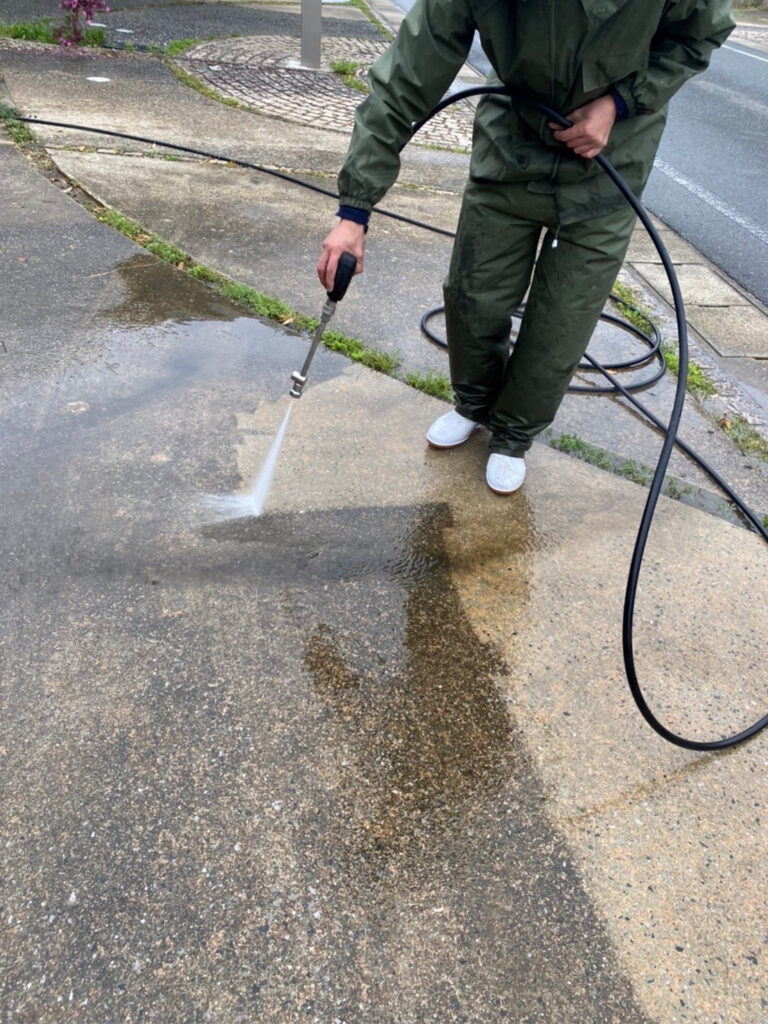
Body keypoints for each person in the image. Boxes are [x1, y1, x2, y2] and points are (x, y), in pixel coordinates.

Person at [317, 0, 734, 494]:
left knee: (561, 321)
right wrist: (354, 210)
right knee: (474, 296)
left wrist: (618, 102)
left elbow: (697, 35)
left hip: (610, 162)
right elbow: (408, 73)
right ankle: (473, 406)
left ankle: (513, 437)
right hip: (510, 145)